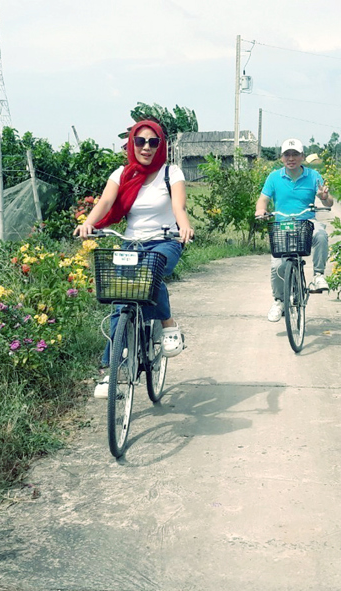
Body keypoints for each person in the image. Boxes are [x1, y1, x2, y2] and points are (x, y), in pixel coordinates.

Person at [74, 119, 195, 398]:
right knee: (120, 302)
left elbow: (179, 205)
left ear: (160, 145)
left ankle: (168, 325)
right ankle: (110, 373)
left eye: (153, 142)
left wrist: (184, 226)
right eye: (141, 141)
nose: (147, 147)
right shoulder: (122, 174)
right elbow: (104, 202)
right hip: (130, 243)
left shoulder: (171, 172)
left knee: (152, 269)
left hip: (164, 241)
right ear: (132, 144)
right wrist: (88, 224)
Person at [254, 138, 334, 322]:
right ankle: (279, 301)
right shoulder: (274, 177)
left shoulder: (314, 176)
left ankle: (319, 275)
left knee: (320, 233)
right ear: (282, 158)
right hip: (283, 225)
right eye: (287, 154)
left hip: (306, 222)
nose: (291, 158)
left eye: (295, 154)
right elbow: (263, 199)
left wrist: (324, 197)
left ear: (302, 157)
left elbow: (328, 202)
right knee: (277, 266)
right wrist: (260, 210)